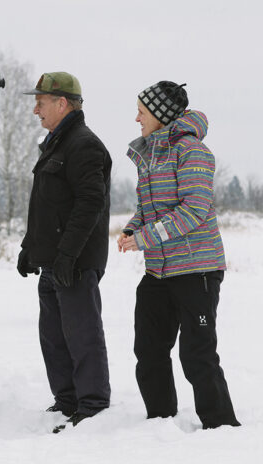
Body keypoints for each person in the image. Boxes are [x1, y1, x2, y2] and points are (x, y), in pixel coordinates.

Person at [118, 81, 240, 429]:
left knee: (197, 353)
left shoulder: (193, 152)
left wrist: (145, 238)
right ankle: (160, 421)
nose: (136, 117)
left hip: (197, 270)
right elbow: (148, 209)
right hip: (158, 271)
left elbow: (194, 210)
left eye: (142, 111)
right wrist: (132, 228)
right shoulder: (149, 154)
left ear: (160, 114)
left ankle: (221, 426)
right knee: (149, 350)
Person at [17, 72, 112, 431]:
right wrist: (30, 248)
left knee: (81, 333)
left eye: (40, 102)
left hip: (74, 264)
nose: (34, 109)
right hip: (52, 263)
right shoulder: (56, 143)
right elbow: (45, 205)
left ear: (62, 103)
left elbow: (90, 204)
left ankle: (93, 406)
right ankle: (67, 399)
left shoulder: (84, 145)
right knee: (54, 336)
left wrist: (69, 256)